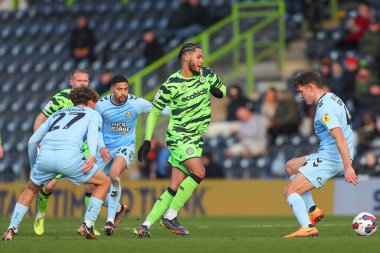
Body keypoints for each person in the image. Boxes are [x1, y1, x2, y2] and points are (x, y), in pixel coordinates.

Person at [134, 43, 226, 238]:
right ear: (186, 58)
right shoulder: (171, 84)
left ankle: (144, 225)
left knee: (174, 186)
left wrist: (219, 90)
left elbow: (222, 88)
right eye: (199, 57)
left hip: (195, 138)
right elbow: (154, 111)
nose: (202, 61)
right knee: (199, 172)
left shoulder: (206, 74)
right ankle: (171, 216)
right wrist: (147, 140)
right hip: (179, 137)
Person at [2, 87, 110, 241]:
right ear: (91, 102)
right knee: (104, 182)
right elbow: (93, 134)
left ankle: (11, 228)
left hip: (46, 157)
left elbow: (32, 141)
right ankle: (88, 223)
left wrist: (34, 167)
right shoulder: (93, 114)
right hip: (70, 157)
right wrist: (92, 155)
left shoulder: (57, 114)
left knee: (31, 189)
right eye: (95, 103)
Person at [283, 71, 358, 238]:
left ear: (311, 87)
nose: (300, 96)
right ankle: (312, 210)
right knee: (291, 166)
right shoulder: (331, 97)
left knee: (290, 191)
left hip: (332, 158)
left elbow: (339, 137)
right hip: (329, 154)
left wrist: (348, 167)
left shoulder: (325, 109)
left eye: (301, 91)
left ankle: (307, 227)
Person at [96, 75, 169, 236]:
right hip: (105, 150)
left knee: (115, 175)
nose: (123, 93)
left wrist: (182, 109)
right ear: (112, 89)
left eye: (125, 89)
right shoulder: (101, 105)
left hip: (125, 147)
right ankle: (119, 208)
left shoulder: (136, 103)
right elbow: (95, 128)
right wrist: (100, 147)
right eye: (119, 89)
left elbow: (159, 110)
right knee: (91, 187)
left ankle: (109, 221)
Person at [32, 69, 102, 236]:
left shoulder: (91, 100)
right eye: (79, 81)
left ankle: (88, 223)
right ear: (71, 82)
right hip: (60, 147)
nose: (83, 84)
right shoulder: (60, 98)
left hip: (82, 147)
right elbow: (40, 119)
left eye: (86, 81)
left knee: (92, 184)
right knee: (49, 185)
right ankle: (40, 215)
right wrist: (39, 140)